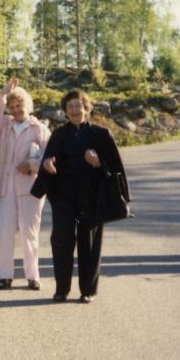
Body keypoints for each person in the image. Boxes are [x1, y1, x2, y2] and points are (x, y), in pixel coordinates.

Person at [35, 88, 127, 303]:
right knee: (62, 242)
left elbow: (115, 169)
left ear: (86, 108)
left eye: (78, 105)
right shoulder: (58, 135)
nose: (75, 110)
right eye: (70, 107)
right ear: (65, 112)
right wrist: (47, 164)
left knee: (90, 245)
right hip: (64, 197)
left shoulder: (101, 134)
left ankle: (88, 290)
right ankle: (61, 290)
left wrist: (98, 163)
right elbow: (48, 161)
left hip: (91, 197)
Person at [0, 78, 50, 291]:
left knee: (29, 232)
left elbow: (51, 158)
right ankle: (5, 275)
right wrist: (3, 92)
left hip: (30, 188)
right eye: (12, 107)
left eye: (19, 105)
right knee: (4, 231)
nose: (15, 110)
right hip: (6, 187)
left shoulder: (39, 129)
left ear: (27, 105)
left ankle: (33, 276)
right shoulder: (4, 125)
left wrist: (32, 165)